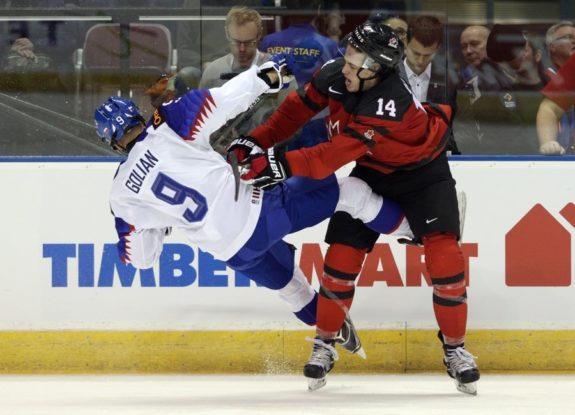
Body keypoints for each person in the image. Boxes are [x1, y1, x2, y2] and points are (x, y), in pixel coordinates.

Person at [95, 57, 413, 360]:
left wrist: (159, 227)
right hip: (259, 213)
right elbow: (221, 101)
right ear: (137, 115)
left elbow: (141, 259)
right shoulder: (167, 123)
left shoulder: (121, 194)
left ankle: (335, 339)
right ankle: (413, 231)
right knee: (349, 192)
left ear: (112, 142)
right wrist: (264, 78)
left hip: (231, 251)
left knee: (293, 290)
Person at [233, 22, 479, 394]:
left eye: (352, 62)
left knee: (446, 263)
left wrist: (275, 162)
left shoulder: (388, 101)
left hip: (425, 175)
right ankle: (324, 343)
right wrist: (254, 142)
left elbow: (327, 158)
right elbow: (293, 113)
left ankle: (456, 350)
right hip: (375, 170)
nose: (343, 66)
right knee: (340, 259)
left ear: (376, 69)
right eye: (346, 58)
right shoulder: (339, 73)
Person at [198, 6, 297, 137]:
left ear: (260, 34)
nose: (242, 49)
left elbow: (294, 122)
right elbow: (199, 122)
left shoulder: (280, 71)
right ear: (227, 33)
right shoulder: (213, 72)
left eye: (249, 42)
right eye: (236, 42)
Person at [258, 0, 339, 150]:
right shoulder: (329, 46)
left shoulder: (269, 42)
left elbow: (262, 82)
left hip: (278, 118)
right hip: (314, 121)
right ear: (317, 11)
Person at [455, 24, 545, 154]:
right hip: (505, 160)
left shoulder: (490, 77)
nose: (468, 51)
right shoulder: (495, 83)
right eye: (521, 49)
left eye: (475, 44)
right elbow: (512, 131)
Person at [398, 15, 460, 154]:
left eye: (427, 55)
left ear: (437, 49)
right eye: (416, 53)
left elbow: (451, 128)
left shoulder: (449, 80)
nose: (420, 61)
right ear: (405, 42)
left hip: (435, 156)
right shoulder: (388, 76)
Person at [538, 21, 575, 154]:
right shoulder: (540, 75)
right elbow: (550, 108)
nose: (573, 42)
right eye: (568, 37)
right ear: (551, 46)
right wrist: (549, 143)